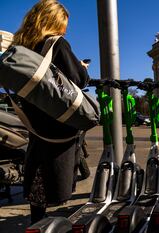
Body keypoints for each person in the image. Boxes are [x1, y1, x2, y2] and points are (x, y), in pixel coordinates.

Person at [11, 0, 90, 224]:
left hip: (34, 120)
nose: (65, 29)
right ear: (54, 22)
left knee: (38, 166)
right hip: (57, 120)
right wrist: (82, 68)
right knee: (55, 167)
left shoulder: (23, 46)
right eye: (63, 23)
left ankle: (37, 220)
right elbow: (79, 80)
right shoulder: (57, 44)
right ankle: (48, 222)